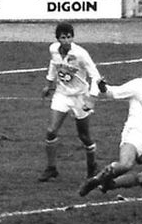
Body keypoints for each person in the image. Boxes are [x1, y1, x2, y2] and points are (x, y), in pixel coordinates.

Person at [78, 53, 142, 197]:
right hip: (135, 134)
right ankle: (96, 180)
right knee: (126, 164)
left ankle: (110, 185)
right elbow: (114, 92)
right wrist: (103, 88)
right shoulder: (138, 85)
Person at [38, 23, 102, 182]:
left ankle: (92, 166)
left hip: (80, 97)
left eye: (69, 37)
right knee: (51, 131)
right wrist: (49, 84)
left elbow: (96, 76)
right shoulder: (53, 49)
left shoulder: (81, 54)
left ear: (72, 37)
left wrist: (92, 99)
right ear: (57, 39)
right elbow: (54, 65)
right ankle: (51, 168)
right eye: (63, 37)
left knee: (84, 136)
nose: (66, 40)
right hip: (62, 94)